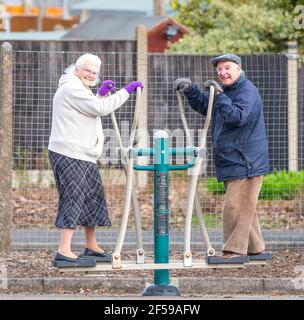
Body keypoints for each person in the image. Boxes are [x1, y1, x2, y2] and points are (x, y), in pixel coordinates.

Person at [174, 54, 272, 263]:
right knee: (246, 206)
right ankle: (256, 249)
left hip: (246, 161)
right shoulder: (226, 91)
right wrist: (191, 90)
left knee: (235, 206)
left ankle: (234, 251)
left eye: (227, 68)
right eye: (219, 69)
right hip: (233, 159)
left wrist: (219, 95)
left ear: (238, 69)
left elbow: (237, 117)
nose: (222, 73)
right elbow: (206, 106)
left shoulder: (247, 91)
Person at [48, 53, 143, 268]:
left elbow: (91, 108)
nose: (91, 75)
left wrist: (99, 94)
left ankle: (92, 246)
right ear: (77, 70)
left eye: (94, 72)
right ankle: (63, 251)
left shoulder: (81, 90)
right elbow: (99, 109)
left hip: (83, 155)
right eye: (87, 70)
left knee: (92, 198)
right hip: (69, 153)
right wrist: (126, 92)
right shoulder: (71, 88)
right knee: (73, 197)